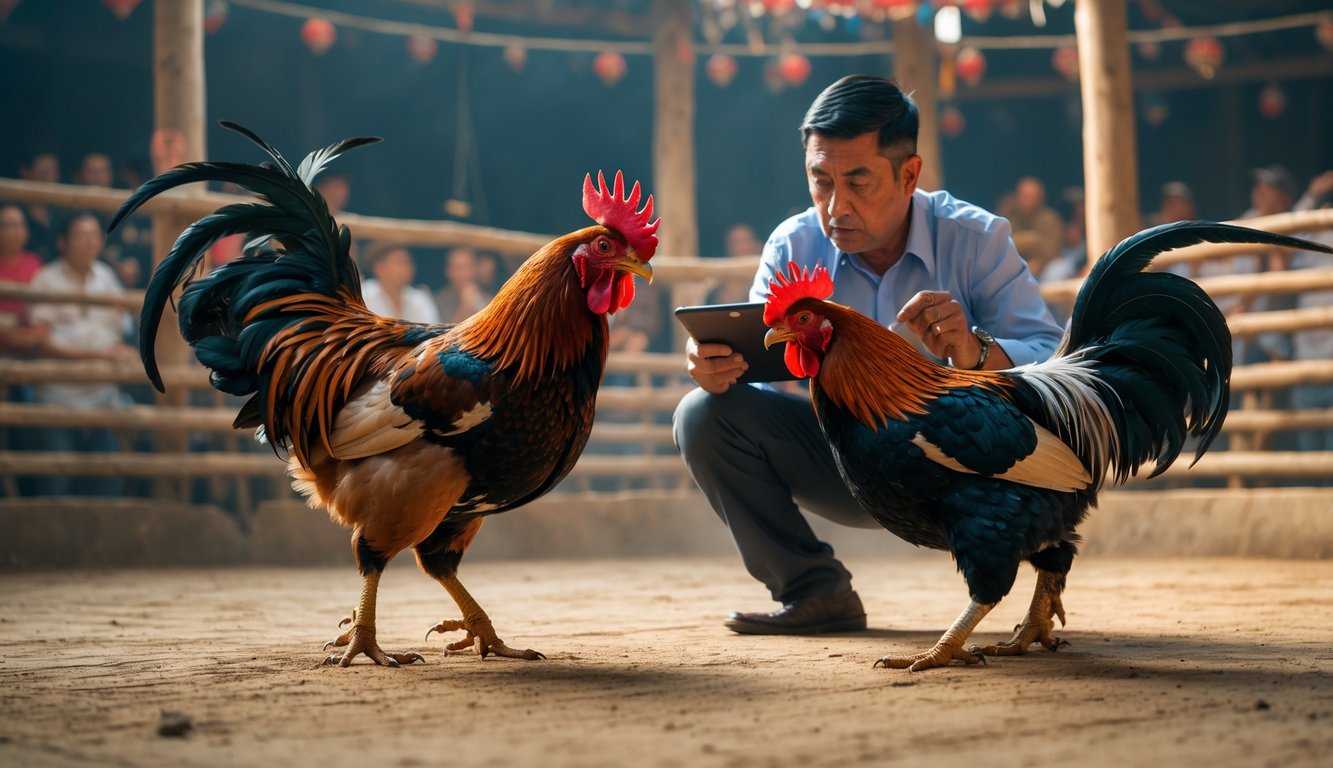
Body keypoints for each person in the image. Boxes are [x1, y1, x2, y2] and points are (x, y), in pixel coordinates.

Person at [673, 75, 1065, 635]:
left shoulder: (975, 238)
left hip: (956, 469)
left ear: (909, 175)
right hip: (848, 463)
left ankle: (1042, 574)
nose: (837, 206)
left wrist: (976, 351)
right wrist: (719, 370)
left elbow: (1052, 357)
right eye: (821, 181)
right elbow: (758, 379)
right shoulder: (793, 246)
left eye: (858, 181)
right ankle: (815, 590)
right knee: (700, 414)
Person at [28, 213, 136, 497]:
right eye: (81, 235)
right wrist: (98, 356)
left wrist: (121, 354)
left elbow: (121, 331)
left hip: (103, 396)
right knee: (57, 479)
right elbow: (42, 344)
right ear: (62, 242)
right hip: (58, 396)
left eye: (94, 234)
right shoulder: (46, 279)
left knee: (108, 475)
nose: (89, 241)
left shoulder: (106, 276)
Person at [360, 243, 440, 324]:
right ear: (380, 268)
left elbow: (432, 332)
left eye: (409, 262)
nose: (408, 267)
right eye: (400, 262)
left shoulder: (419, 299)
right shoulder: (363, 295)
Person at [1007, 176, 1064, 279]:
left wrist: (1038, 262)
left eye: (1034, 197)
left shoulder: (1049, 219)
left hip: (1045, 266)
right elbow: (1005, 245)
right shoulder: (1011, 219)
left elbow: (1051, 250)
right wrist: (1034, 240)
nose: (1030, 201)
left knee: (1059, 269)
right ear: (1017, 197)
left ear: (1041, 198)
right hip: (1018, 267)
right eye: (1025, 196)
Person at [18, 150, 61, 263]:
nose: (50, 178)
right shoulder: (16, 213)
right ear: (26, 172)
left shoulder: (61, 212)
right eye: (44, 172)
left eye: (54, 172)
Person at [433, 247, 494, 323]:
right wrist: (465, 307)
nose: (461, 273)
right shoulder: (437, 301)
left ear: (475, 270)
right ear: (448, 271)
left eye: (466, 267)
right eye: (456, 267)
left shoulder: (489, 302)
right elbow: (445, 333)